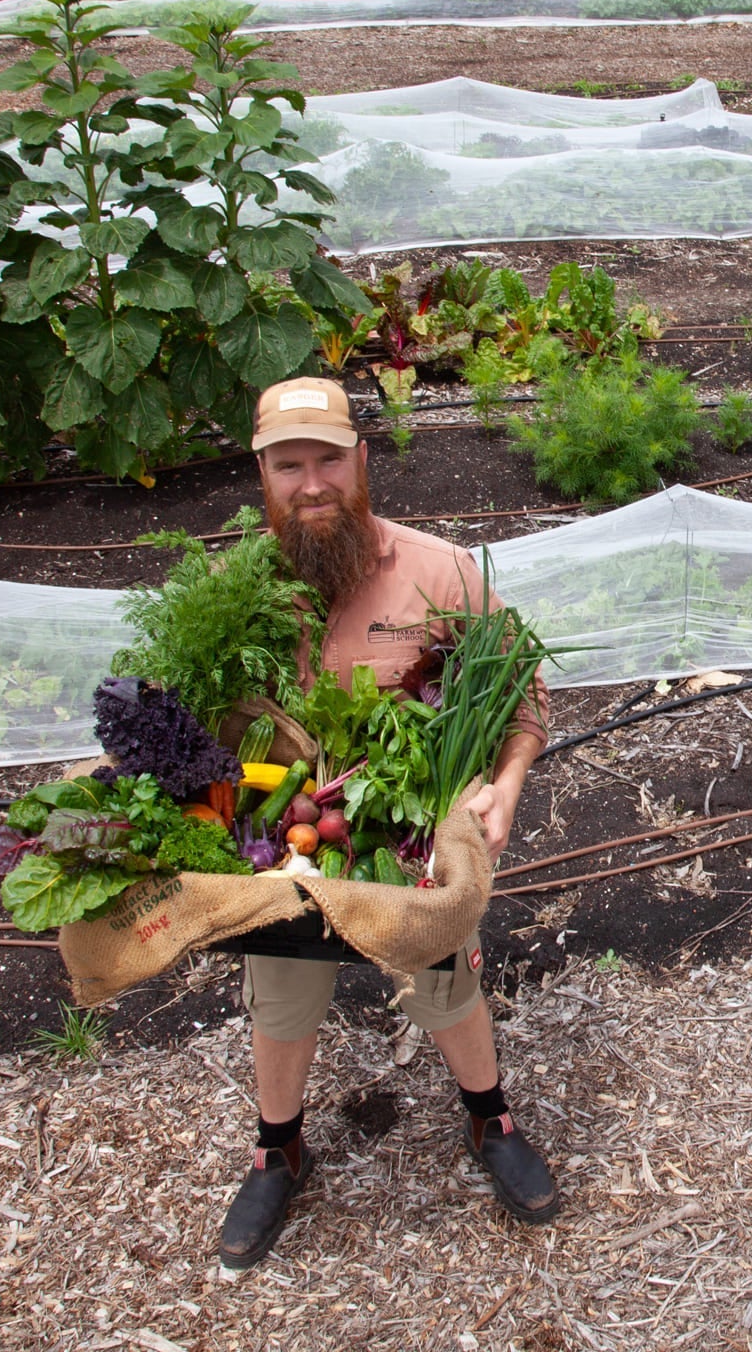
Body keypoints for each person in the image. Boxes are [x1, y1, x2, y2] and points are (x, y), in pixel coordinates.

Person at [219, 375, 560, 1271]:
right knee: (281, 991)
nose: (312, 484)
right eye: (288, 466)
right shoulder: (231, 588)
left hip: (409, 838)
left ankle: (490, 1118)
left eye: (328, 460)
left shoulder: (437, 571)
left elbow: (523, 687)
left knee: (443, 978)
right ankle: (277, 1149)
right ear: (263, 476)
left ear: (361, 461)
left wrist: (507, 783)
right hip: (288, 842)